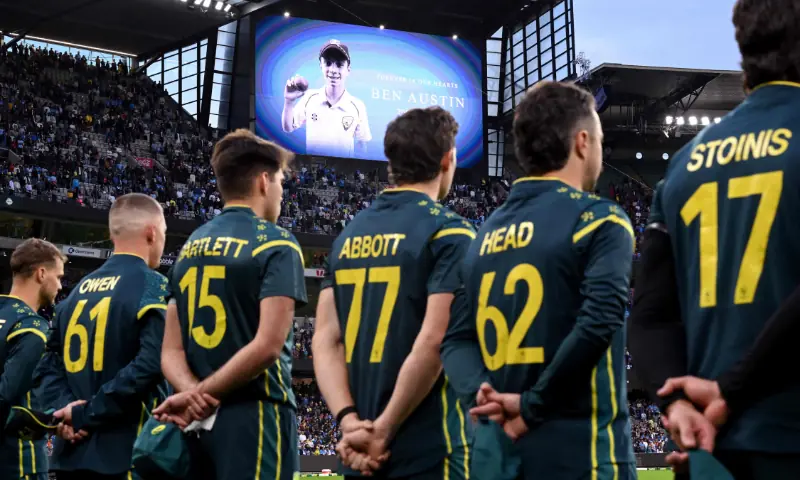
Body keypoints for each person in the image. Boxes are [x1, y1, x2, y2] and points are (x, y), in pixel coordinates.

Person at [628, 0, 800, 476]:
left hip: (712, 451)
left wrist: (678, 403)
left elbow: (648, 315)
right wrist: (731, 389)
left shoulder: (684, 165)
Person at [442, 81, 637, 480]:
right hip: (581, 454)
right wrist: (532, 406)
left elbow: (456, 340)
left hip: (497, 458)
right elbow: (599, 320)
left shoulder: (480, 239)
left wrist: (482, 393)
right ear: (583, 142)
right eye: (600, 140)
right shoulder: (599, 219)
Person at [312, 106, 474, 479]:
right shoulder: (450, 233)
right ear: (447, 159)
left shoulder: (347, 236)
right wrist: (383, 430)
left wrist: (349, 422)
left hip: (358, 451)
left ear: (392, 163)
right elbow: (433, 341)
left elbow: (325, 339)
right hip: (432, 451)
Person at [154, 129, 307, 480]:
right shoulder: (277, 243)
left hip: (195, 421)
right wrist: (203, 393)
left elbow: (170, 350)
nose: (281, 193)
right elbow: (268, 346)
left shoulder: (189, 248)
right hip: (257, 414)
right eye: (281, 182)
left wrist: (192, 394)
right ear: (264, 181)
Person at [34, 193, 170, 480]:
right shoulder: (154, 286)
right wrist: (87, 413)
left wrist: (65, 411)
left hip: (71, 454)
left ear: (111, 234)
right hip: (128, 455)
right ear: (152, 232)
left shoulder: (74, 293)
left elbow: (47, 364)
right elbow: (150, 364)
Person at [0, 239, 65, 480]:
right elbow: (6, 394)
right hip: (19, 462)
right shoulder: (32, 327)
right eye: (58, 277)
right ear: (41, 274)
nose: (60, 285)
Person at [281, 39, 372, 158]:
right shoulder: (309, 98)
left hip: (342, 168)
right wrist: (289, 101)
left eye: (339, 65)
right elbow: (288, 127)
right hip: (313, 165)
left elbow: (362, 143)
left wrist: (355, 164)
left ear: (348, 70)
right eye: (328, 63)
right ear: (321, 66)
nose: (333, 70)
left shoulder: (357, 106)